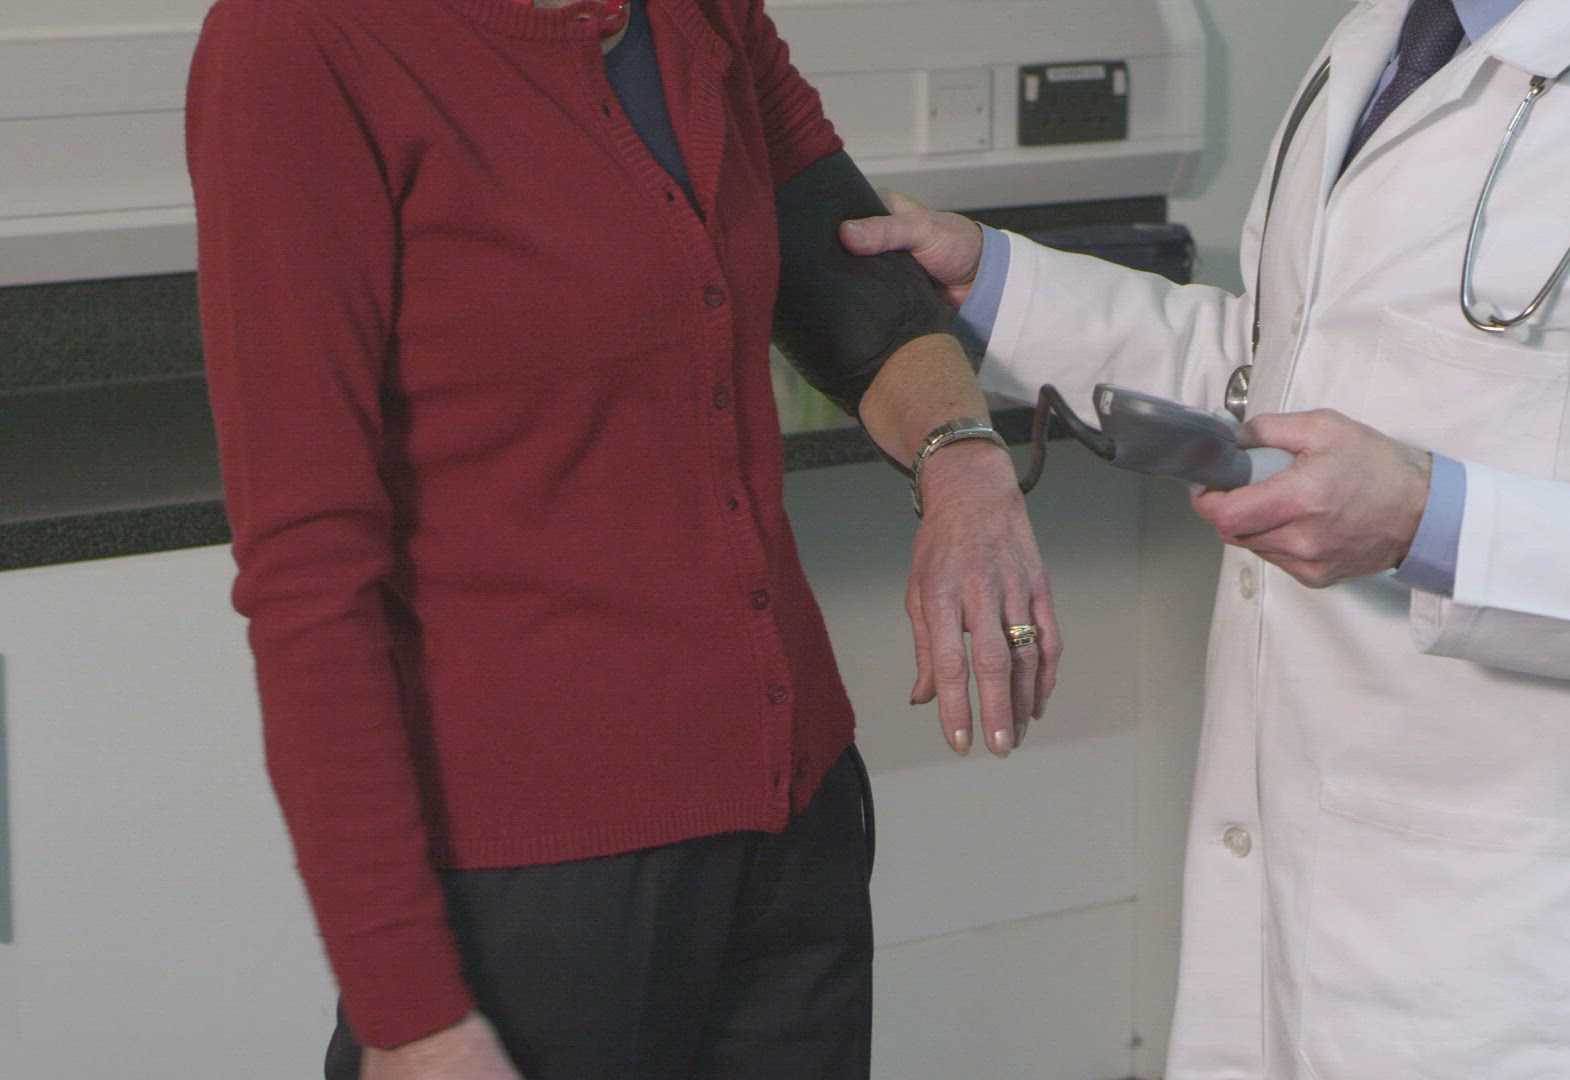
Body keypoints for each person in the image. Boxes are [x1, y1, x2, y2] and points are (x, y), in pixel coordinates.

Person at [844, 0, 1570, 1075]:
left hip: (1533, 954)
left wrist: (1428, 522)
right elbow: (1274, 372)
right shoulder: (1381, 43)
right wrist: (996, 285)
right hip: (1301, 890)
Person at [184, 0, 1061, 1076]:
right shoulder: (297, 42)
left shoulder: (700, 14)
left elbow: (854, 277)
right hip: (536, 878)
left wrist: (963, 463)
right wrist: (405, 1011)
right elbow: (308, 574)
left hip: (793, 829)